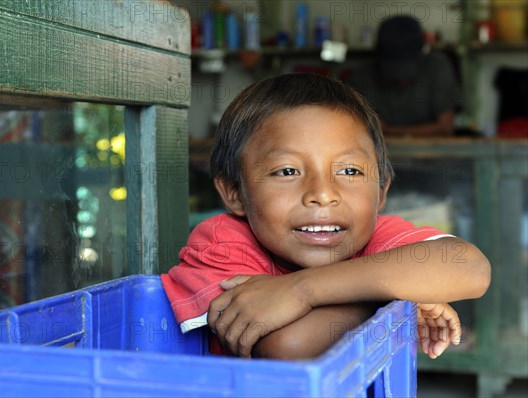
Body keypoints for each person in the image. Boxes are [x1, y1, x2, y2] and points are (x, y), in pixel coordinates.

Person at [161, 73, 490, 360]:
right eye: (287, 170)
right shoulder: (223, 242)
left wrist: (301, 290)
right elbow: (289, 346)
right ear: (234, 191)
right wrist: (396, 299)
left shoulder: (372, 234)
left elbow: (470, 268)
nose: (323, 193)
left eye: (349, 170)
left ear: (381, 190)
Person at [347, 15, 459, 137]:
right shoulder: (362, 76)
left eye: (406, 67)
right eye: (394, 68)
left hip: (433, 154)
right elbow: (360, 132)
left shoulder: (438, 67)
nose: (400, 78)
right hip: (383, 155)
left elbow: (445, 128)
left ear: (423, 51)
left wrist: (389, 130)